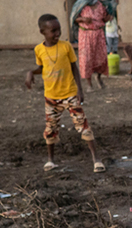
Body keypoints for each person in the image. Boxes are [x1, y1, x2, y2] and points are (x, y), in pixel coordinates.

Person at [24, 14, 104, 173]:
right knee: (51, 129)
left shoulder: (66, 47)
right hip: (51, 97)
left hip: (70, 94)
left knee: (83, 126)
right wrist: (31, 72)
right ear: (42, 32)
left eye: (58, 30)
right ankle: (51, 160)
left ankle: (96, 159)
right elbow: (42, 68)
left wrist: (79, 90)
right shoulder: (39, 50)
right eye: (53, 31)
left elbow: (75, 67)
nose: (57, 34)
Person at [69, 0, 115, 89]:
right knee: (87, 59)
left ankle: (98, 77)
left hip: (99, 34)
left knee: (101, 58)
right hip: (86, 35)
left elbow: (104, 17)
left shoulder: (99, 3)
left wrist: (110, 16)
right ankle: (89, 84)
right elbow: (74, 19)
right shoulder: (80, 5)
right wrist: (83, 19)